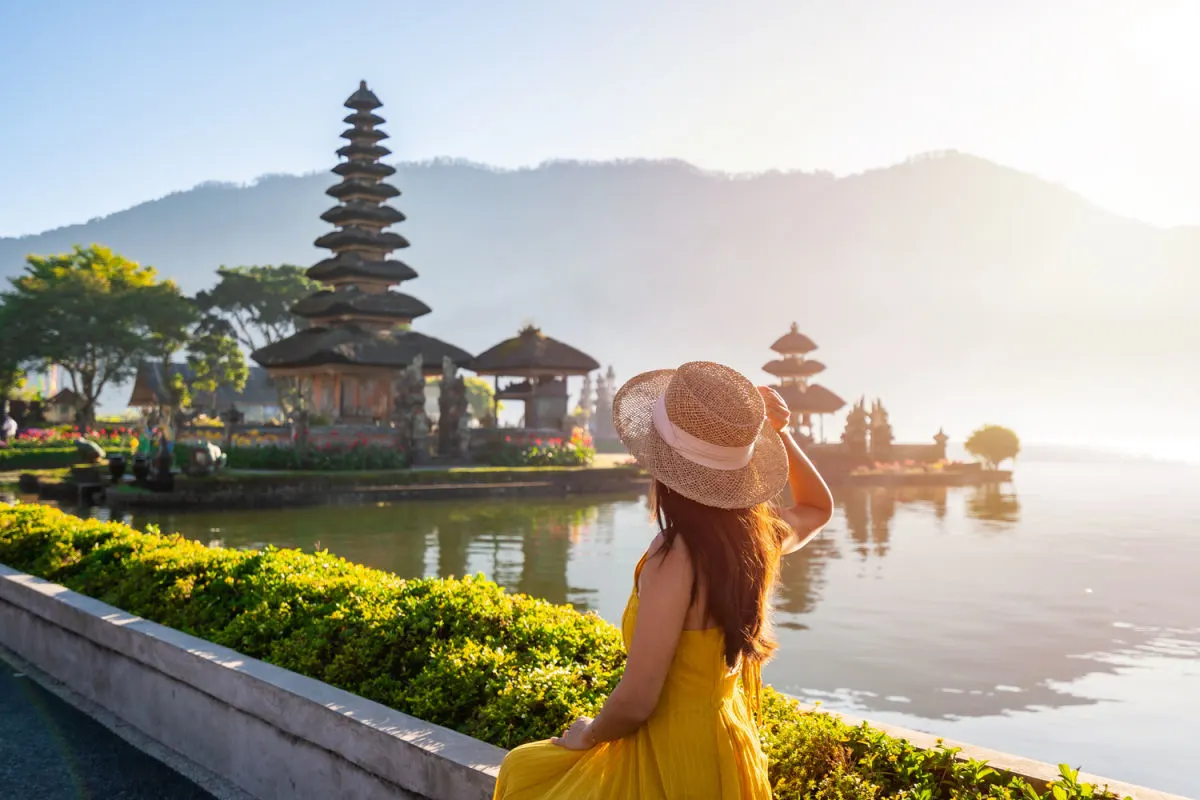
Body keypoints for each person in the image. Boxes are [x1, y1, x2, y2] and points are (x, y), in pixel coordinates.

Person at [493, 361, 834, 799]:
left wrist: (587, 733)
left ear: (664, 466)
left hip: (671, 757)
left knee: (522, 770)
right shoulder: (755, 541)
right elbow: (817, 508)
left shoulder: (674, 559)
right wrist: (780, 433)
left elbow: (637, 701)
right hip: (728, 746)